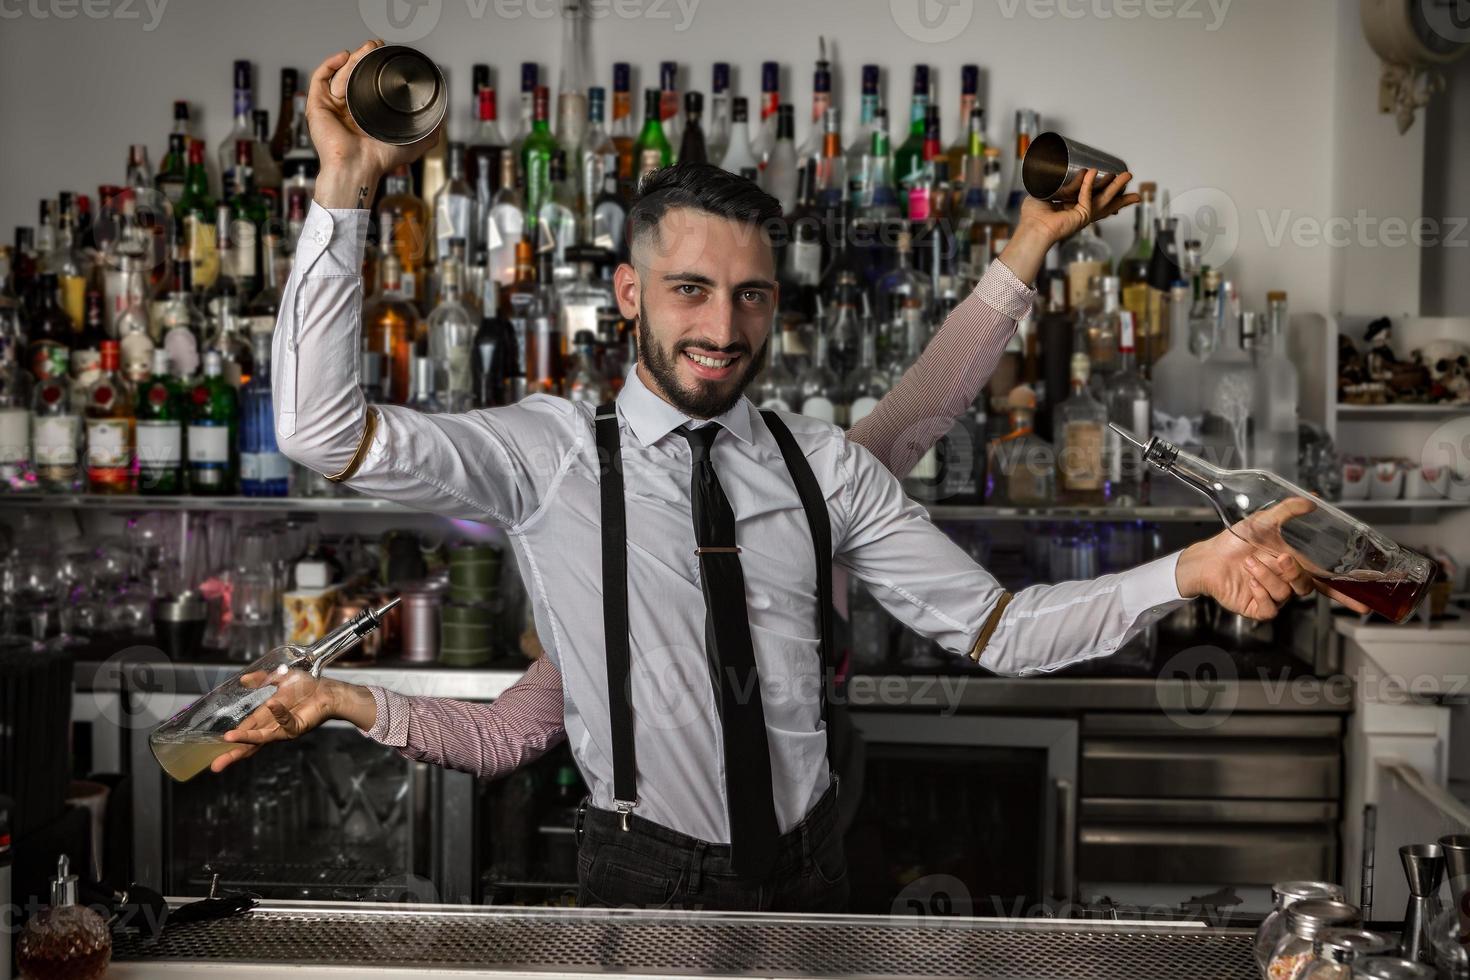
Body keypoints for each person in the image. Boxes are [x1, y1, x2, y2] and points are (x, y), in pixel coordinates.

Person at [223, 41, 1367, 913]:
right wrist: (346, 188)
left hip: (821, 865)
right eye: (688, 290)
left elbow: (998, 615)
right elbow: (324, 432)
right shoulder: (545, 456)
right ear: (628, 295)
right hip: (641, 883)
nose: (723, 326)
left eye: (752, 294)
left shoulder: (822, 468)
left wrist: (1197, 565)